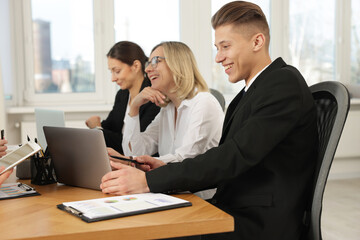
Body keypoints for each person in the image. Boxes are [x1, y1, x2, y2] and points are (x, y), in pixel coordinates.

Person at [100, 1, 318, 239]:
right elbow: (225, 157)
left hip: (259, 221)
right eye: (217, 48)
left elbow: (232, 157)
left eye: (225, 46)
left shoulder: (282, 84)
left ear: (257, 41)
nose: (218, 58)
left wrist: (148, 181)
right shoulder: (249, 94)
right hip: (237, 206)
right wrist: (163, 168)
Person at [103, 41, 224, 200]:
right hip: (171, 194)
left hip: (202, 200)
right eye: (148, 63)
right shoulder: (167, 109)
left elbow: (185, 160)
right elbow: (137, 151)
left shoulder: (203, 103)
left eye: (155, 61)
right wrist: (134, 108)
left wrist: (132, 161)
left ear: (177, 63)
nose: (147, 69)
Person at [86, 41, 160, 154]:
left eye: (117, 71)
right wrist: (100, 129)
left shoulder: (152, 96)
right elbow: (110, 126)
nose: (113, 78)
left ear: (136, 66)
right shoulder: (122, 95)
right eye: (111, 72)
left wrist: (97, 130)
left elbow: (131, 144)